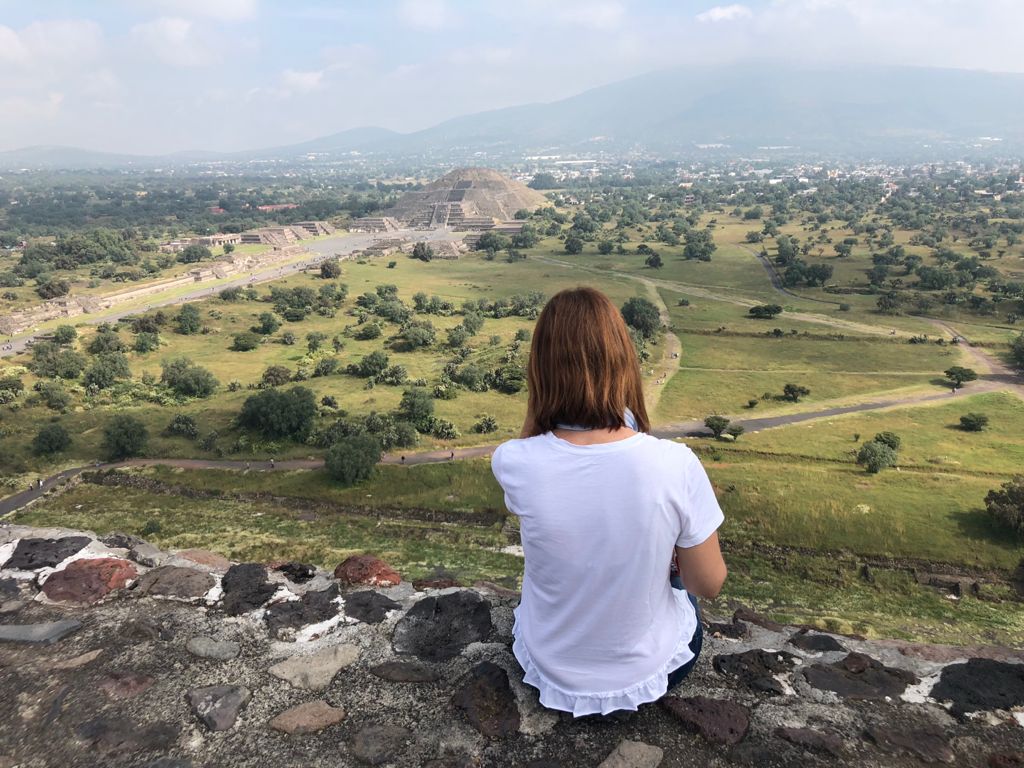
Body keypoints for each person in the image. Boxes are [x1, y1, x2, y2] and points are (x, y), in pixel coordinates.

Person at [491, 287, 727, 718]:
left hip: (549, 668)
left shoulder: (512, 461)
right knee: (679, 587)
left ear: (539, 370)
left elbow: (549, 463)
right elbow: (707, 584)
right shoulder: (674, 463)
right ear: (624, 362)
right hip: (649, 672)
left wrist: (540, 407)